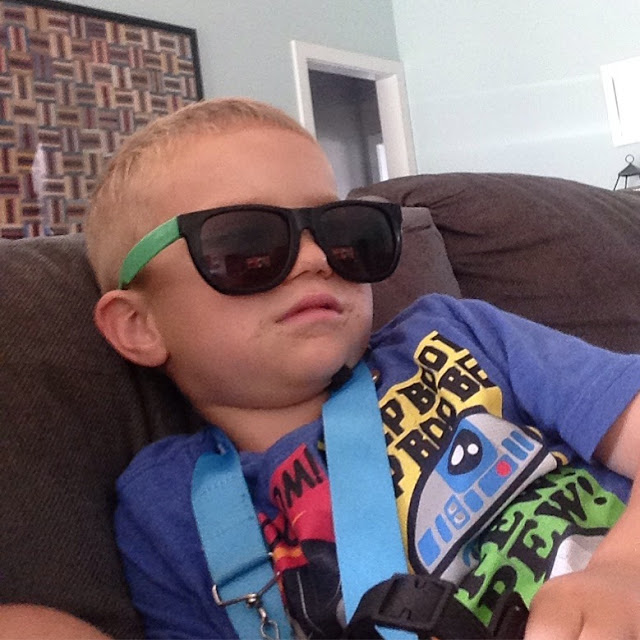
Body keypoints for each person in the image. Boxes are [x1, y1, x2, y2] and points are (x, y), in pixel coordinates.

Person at [85, 97, 640, 639]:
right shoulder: (169, 511)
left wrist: (624, 570)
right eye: (247, 244)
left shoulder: (454, 337)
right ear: (139, 325)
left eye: (345, 233)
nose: (317, 258)